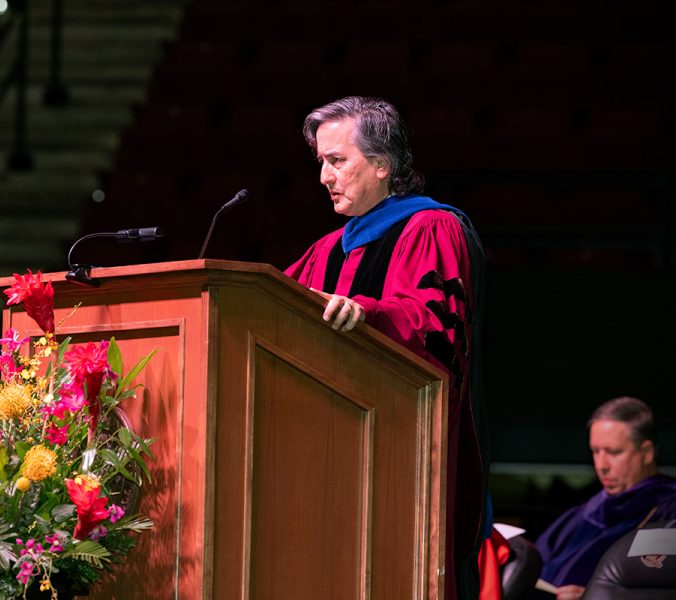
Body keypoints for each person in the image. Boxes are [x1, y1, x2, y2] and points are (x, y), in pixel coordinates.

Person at [284, 96, 489, 600]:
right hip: (326, 453)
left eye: (337, 161)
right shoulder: (326, 249)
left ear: (381, 165)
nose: (324, 177)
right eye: (321, 163)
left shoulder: (431, 227)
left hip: (402, 450)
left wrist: (367, 313)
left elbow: (437, 326)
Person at [533, 396, 676, 600]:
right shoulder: (583, 514)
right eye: (595, 451)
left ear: (646, 452)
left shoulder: (668, 510)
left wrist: (599, 596)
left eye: (613, 452)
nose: (601, 465)